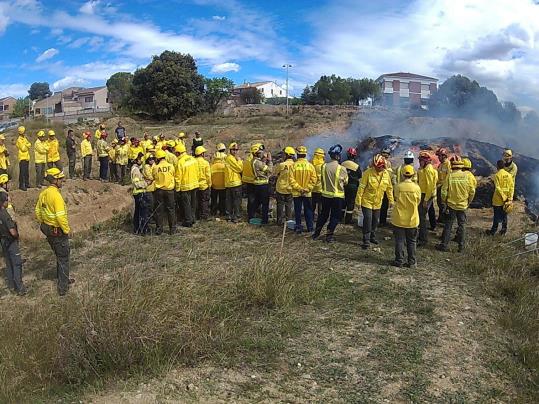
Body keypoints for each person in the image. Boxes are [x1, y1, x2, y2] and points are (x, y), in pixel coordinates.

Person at [35, 168, 72, 296]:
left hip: (48, 230)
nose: (62, 181)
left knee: (59, 256)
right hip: (58, 232)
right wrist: (67, 230)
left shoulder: (43, 194)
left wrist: (44, 222)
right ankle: (63, 288)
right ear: (55, 180)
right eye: (60, 179)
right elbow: (60, 216)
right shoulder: (56, 196)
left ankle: (64, 279)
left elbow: (38, 212)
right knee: (63, 258)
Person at [436, 158, 475, 252]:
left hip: (451, 205)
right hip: (463, 206)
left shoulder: (450, 176)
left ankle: (444, 245)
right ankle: (461, 247)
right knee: (462, 225)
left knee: (448, 225)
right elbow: (472, 191)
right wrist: (468, 202)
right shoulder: (466, 177)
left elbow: (444, 191)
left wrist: (444, 202)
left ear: (453, 167)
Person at [356, 154, 394, 249]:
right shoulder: (367, 173)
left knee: (375, 221)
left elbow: (389, 188)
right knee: (368, 220)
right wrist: (358, 201)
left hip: (378, 203)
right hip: (367, 201)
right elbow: (361, 188)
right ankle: (366, 240)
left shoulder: (386, 175)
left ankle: (372, 236)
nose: (378, 169)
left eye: (380, 167)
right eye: (377, 167)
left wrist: (391, 200)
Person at [312, 145, 348, 242]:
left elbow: (322, 180)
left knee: (323, 215)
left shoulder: (324, 166)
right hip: (337, 197)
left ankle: (316, 233)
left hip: (325, 196)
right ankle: (329, 235)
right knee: (335, 217)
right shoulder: (342, 169)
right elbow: (345, 182)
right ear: (337, 156)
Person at [391, 165, 421, 268]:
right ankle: (412, 262)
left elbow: (395, 198)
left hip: (399, 219)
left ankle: (399, 261)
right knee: (412, 242)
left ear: (403, 175)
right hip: (412, 220)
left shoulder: (398, 187)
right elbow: (418, 201)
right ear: (413, 175)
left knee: (399, 241)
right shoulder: (417, 188)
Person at [0, 192, 26, 295]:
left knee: (9, 264)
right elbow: (12, 231)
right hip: (11, 242)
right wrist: (17, 236)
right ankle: (20, 288)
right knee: (17, 264)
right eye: (7, 200)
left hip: (3, 241)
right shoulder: (5, 214)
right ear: (3, 202)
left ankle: (11, 286)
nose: (8, 201)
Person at [289, 145, 317, 234]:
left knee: (297, 211)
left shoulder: (293, 166)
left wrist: (299, 189)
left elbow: (291, 180)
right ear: (305, 155)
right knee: (308, 210)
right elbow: (314, 180)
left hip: (297, 193)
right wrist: (306, 189)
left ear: (298, 155)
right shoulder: (311, 166)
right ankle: (310, 228)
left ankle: (298, 228)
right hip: (307, 193)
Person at [486, 160, 514, 236]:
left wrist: (503, 197)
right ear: (504, 166)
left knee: (496, 216)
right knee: (504, 215)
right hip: (507, 200)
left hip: (498, 200)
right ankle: (503, 231)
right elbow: (511, 187)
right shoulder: (509, 175)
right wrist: (510, 198)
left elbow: (498, 188)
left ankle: (493, 231)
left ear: (497, 166)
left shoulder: (497, 175)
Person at [174, 143, 199, 227]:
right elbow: (197, 171)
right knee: (193, 203)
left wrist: (177, 189)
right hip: (195, 184)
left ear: (178, 153)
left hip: (185, 187)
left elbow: (178, 178)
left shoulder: (180, 162)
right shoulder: (193, 159)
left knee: (186, 204)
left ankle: (188, 221)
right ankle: (193, 218)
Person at [152, 149, 176, 235]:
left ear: (157, 158)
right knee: (171, 210)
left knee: (159, 210)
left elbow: (154, 176)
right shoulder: (171, 166)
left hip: (159, 191)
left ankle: (159, 229)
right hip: (169, 190)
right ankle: (172, 229)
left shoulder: (156, 167)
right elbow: (173, 175)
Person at [417, 151, 438, 247]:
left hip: (426, 194)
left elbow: (430, 186)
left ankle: (423, 239)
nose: (419, 162)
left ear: (426, 161)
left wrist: (426, 199)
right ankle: (421, 236)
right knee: (421, 215)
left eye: (421, 160)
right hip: (424, 193)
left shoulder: (428, 170)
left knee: (422, 216)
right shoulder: (424, 169)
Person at [251, 144, 273, 224]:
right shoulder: (258, 163)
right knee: (265, 203)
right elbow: (270, 170)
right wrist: (270, 161)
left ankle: (251, 216)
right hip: (262, 185)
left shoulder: (256, 161)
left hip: (258, 185)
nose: (262, 153)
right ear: (255, 153)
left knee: (257, 202)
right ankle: (264, 220)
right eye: (260, 152)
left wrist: (263, 160)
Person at [274, 147, 295, 226]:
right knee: (289, 205)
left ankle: (279, 221)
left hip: (281, 188)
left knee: (280, 204)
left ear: (287, 155)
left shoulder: (282, 165)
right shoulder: (295, 165)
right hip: (290, 188)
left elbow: (276, 173)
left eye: (283, 154)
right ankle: (289, 221)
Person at [342, 147, 362, 224]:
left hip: (344, 185)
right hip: (353, 186)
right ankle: (348, 220)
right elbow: (360, 176)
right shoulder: (356, 166)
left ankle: (340, 217)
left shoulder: (343, 164)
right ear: (354, 156)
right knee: (350, 202)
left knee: (343, 201)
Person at [131, 153, 150, 235]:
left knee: (138, 212)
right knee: (142, 213)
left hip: (140, 193)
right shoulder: (135, 170)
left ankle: (138, 229)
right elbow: (136, 183)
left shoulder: (138, 168)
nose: (141, 160)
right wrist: (146, 183)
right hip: (139, 193)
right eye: (139, 158)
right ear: (135, 160)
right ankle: (142, 230)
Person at [225, 143, 243, 223]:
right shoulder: (231, 158)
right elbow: (239, 169)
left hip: (230, 182)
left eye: (236, 150)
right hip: (235, 182)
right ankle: (236, 216)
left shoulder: (230, 158)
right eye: (233, 150)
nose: (235, 151)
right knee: (236, 201)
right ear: (230, 150)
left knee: (230, 200)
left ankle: (229, 216)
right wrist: (239, 160)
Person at [195, 146, 211, 220]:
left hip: (195, 185)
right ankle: (204, 216)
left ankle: (197, 215)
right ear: (202, 154)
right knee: (204, 201)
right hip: (204, 185)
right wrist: (209, 184)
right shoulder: (205, 163)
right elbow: (208, 175)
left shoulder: (193, 162)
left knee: (197, 201)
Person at [435, 147, 451, 224]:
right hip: (439, 187)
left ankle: (444, 220)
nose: (438, 158)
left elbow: (449, 177)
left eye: (440, 156)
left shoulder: (448, 164)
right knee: (439, 203)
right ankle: (441, 218)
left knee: (443, 204)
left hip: (444, 188)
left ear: (444, 156)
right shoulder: (441, 165)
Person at [379, 147, 393, 226]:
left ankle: (379, 221)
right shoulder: (387, 164)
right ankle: (382, 221)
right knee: (383, 205)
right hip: (384, 187)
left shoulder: (378, 162)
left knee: (381, 205)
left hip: (380, 187)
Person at [211, 150, 227, 217]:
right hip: (223, 186)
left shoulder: (212, 166)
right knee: (222, 200)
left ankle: (213, 212)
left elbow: (209, 176)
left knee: (214, 200)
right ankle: (222, 212)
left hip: (214, 186)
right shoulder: (224, 166)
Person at [311, 148, 325, 219]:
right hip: (321, 189)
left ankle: (311, 217)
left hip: (312, 188)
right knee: (320, 205)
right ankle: (320, 218)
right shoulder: (324, 166)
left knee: (312, 205)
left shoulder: (311, 165)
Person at [242, 144, 256, 220]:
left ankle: (250, 214)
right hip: (253, 182)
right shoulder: (254, 160)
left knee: (250, 199)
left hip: (247, 181)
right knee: (253, 199)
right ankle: (252, 215)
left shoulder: (247, 159)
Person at [16, 126, 31, 190]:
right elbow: (23, 148)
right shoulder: (19, 140)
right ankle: (21, 185)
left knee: (26, 172)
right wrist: (27, 145)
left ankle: (27, 184)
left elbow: (29, 144)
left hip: (26, 157)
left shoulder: (24, 138)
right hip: (22, 158)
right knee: (22, 172)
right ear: (22, 132)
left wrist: (27, 145)